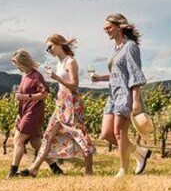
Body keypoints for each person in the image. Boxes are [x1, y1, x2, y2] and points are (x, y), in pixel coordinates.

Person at [21, 35, 96, 176]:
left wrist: (57, 78)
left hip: (72, 102)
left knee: (78, 133)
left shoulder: (71, 62)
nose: (48, 50)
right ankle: (34, 169)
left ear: (60, 44)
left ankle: (89, 170)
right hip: (61, 101)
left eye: (50, 46)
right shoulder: (59, 63)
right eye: (47, 48)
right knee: (48, 134)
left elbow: (75, 86)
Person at [90, 13, 151, 177]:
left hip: (125, 94)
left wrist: (136, 101)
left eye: (108, 27)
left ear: (119, 27)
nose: (105, 30)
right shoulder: (116, 49)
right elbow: (118, 73)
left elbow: (135, 74)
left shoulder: (130, 46)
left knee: (119, 132)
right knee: (106, 133)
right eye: (105, 28)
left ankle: (123, 170)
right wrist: (100, 78)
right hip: (113, 94)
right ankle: (139, 152)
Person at [8, 49, 63, 178]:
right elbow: (22, 97)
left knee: (18, 140)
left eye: (17, 63)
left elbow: (44, 94)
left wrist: (25, 96)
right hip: (25, 113)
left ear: (24, 62)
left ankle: (12, 172)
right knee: (35, 142)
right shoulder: (25, 76)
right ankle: (55, 168)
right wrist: (19, 114)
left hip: (33, 113)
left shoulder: (36, 75)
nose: (16, 67)